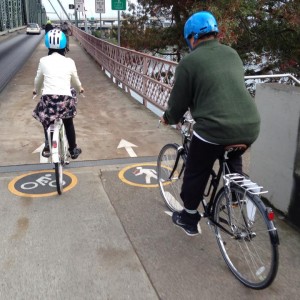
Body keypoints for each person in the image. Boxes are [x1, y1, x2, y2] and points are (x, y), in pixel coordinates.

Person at [160, 11, 260, 236]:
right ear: (215, 32)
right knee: (233, 154)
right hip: (250, 125)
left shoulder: (189, 62)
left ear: (192, 38)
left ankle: (188, 218)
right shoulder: (232, 54)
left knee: (196, 170)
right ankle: (236, 196)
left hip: (214, 129)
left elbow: (178, 103)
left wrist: (169, 118)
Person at [32, 29, 84, 159]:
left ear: (47, 44)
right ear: (64, 45)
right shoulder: (69, 62)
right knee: (68, 122)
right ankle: (73, 149)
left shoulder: (43, 61)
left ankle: (48, 146)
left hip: (48, 99)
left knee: (46, 120)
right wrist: (80, 88)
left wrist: (36, 90)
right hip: (65, 100)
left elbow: (38, 80)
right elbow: (75, 81)